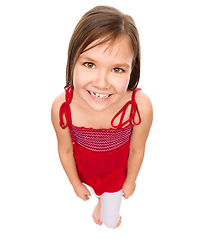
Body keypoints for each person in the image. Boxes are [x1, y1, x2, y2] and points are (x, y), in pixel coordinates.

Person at [51, 5, 153, 229]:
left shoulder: (139, 106)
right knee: (99, 193)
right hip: (85, 166)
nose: (101, 83)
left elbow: (137, 149)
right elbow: (65, 149)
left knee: (110, 220)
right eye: (89, 64)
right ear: (72, 61)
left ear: (131, 69)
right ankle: (100, 197)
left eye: (117, 69)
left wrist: (130, 180)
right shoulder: (62, 106)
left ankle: (105, 202)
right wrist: (76, 184)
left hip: (116, 169)